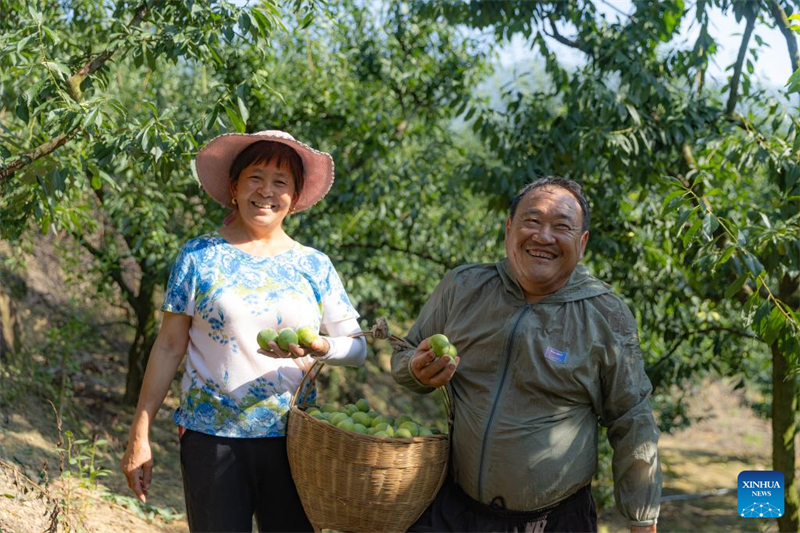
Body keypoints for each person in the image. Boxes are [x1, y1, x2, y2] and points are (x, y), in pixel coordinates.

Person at [120, 130, 367, 533]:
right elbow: (168, 346)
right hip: (210, 439)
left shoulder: (314, 266)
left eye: (280, 181)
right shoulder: (198, 256)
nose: (266, 191)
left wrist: (321, 346)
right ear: (234, 186)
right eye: (255, 177)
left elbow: (358, 349)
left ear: (295, 196)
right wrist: (139, 434)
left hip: (295, 442)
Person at [392, 176, 661, 533]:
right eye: (532, 221)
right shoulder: (463, 287)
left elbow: (632, 419)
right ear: (509, 229)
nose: (543, 236)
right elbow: (404, 353)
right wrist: (414, 369)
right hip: (453, 510)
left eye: (561, 227)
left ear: (582, 243)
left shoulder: (604, 315)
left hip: (552, 522)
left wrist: (641, 520)